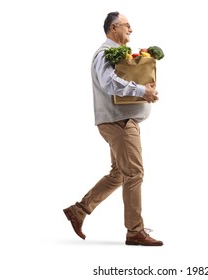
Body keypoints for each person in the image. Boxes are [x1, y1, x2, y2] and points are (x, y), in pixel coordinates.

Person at [63, 11, 163, 246]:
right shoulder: (104, 54)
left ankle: (79, 210)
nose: (131, 29)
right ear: (113, 28)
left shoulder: (118, 54)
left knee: (119, 173)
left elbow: (119, 77)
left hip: (122, 121)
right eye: (127, 25)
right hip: (120, 123)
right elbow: (109, 82)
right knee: (134, 173)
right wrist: (141, 90)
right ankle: (135, 231)